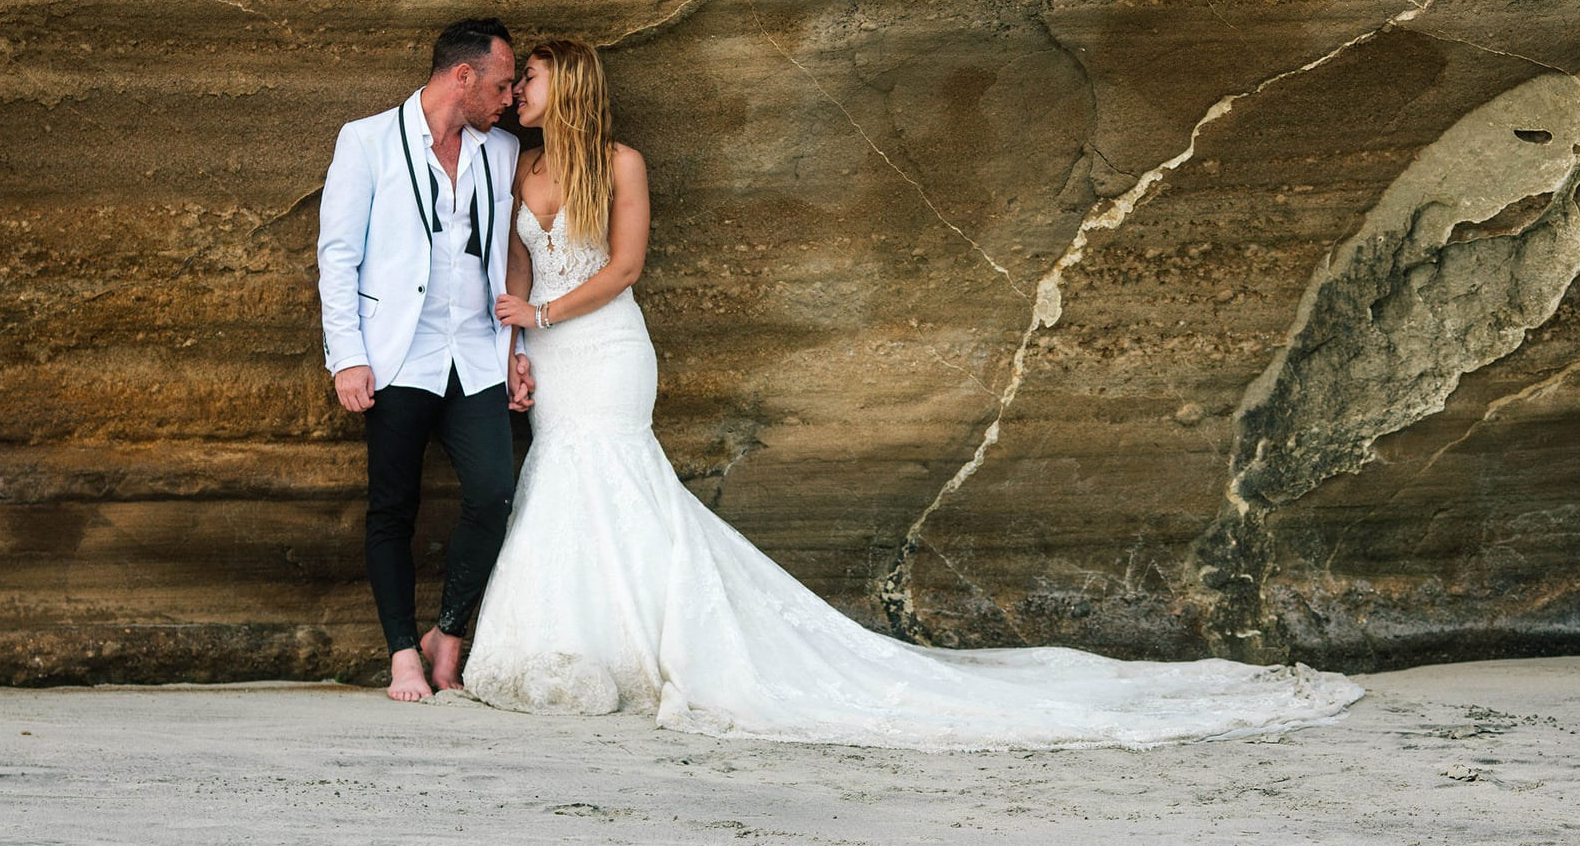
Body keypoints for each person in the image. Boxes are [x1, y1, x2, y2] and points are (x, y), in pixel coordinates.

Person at [461, 38, 1362, 749]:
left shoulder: (620, 162)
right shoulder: (520, 167)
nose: (518, 94)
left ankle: (656, 644)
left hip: (607, 348)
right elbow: (513, 261)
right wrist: (516, 342)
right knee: (563, 477)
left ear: (568, 83)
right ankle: (583, 643)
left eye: (530, 79)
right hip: (549, 353)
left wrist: (541, 312)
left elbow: (624, 267)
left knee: (619, 479)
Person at [317, 17, 532, 703]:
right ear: (461, 76)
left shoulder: (500, 150)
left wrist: (516, 349)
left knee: (494, 493)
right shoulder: (367, 140)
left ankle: (447, 632)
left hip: (474, 350)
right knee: (392, 507)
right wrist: (347, 357)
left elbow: (513, 257)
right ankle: (403, 653)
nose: (509, 100)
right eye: (501, 85)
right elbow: (338, 256)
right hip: (396, 353)